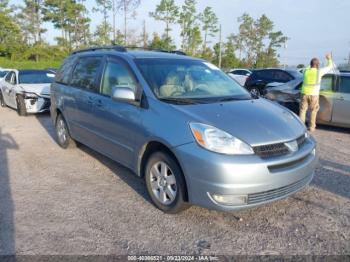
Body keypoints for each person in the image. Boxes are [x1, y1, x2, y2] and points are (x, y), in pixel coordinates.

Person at [299, 54, 333, 132]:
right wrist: (329, 59)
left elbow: (308, 67)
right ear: (317, 65)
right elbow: (329, 67)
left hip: (304, 93)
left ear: (310, 64)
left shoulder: (305, 71)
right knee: (313, 111)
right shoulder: (319, 72)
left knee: (302, 110)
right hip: (314, 95)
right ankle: (311, 127)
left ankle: (300, 127)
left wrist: (313, 63)